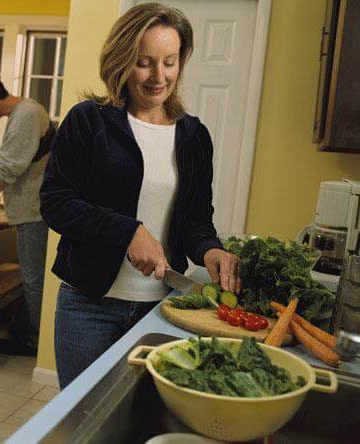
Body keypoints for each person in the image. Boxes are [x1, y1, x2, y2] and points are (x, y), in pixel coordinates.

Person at [40, 2, 241, 389]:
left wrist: (211, 250)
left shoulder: (194, 137)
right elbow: (56, 202)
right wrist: (128, 232)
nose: (158, 76)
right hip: (88, 308)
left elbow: (196, 220)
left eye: (169, 61)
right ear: (122, 61)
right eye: (144, 62)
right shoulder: (88, 120)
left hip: (164, 310)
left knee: (144, 419)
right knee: (87, 420)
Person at [0, 75, 55, 356]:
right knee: (31, 275)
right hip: (33, 207)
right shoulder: (29, 110)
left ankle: (32, 341)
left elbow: (8, 168)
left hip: (32, 210)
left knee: (32, 277)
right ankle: (26, 331)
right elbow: (24, 158)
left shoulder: (24, 114)